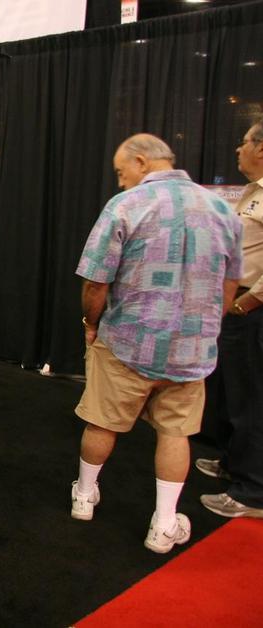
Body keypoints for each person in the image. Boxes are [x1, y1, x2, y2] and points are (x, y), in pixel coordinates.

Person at [71, 134, 242, 553]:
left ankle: (84, 497)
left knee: (102, 421)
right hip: (192, 349)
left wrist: (90, 324)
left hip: (127, 340)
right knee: (175, 432)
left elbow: (96, 280)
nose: (120, 181)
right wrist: (205, 327)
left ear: (142, 162)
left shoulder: (126, 206)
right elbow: (230, 282)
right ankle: (164, 524)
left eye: (120, 172)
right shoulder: (223, 208)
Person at [198, 119, 263, 519]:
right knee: (230, 393)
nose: (237, 149)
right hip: (236, 304)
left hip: (252, 309)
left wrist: (250, 302)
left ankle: (252, 491)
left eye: (243, 143)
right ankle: (233, 464)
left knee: (251, 399)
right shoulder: (251, 194)